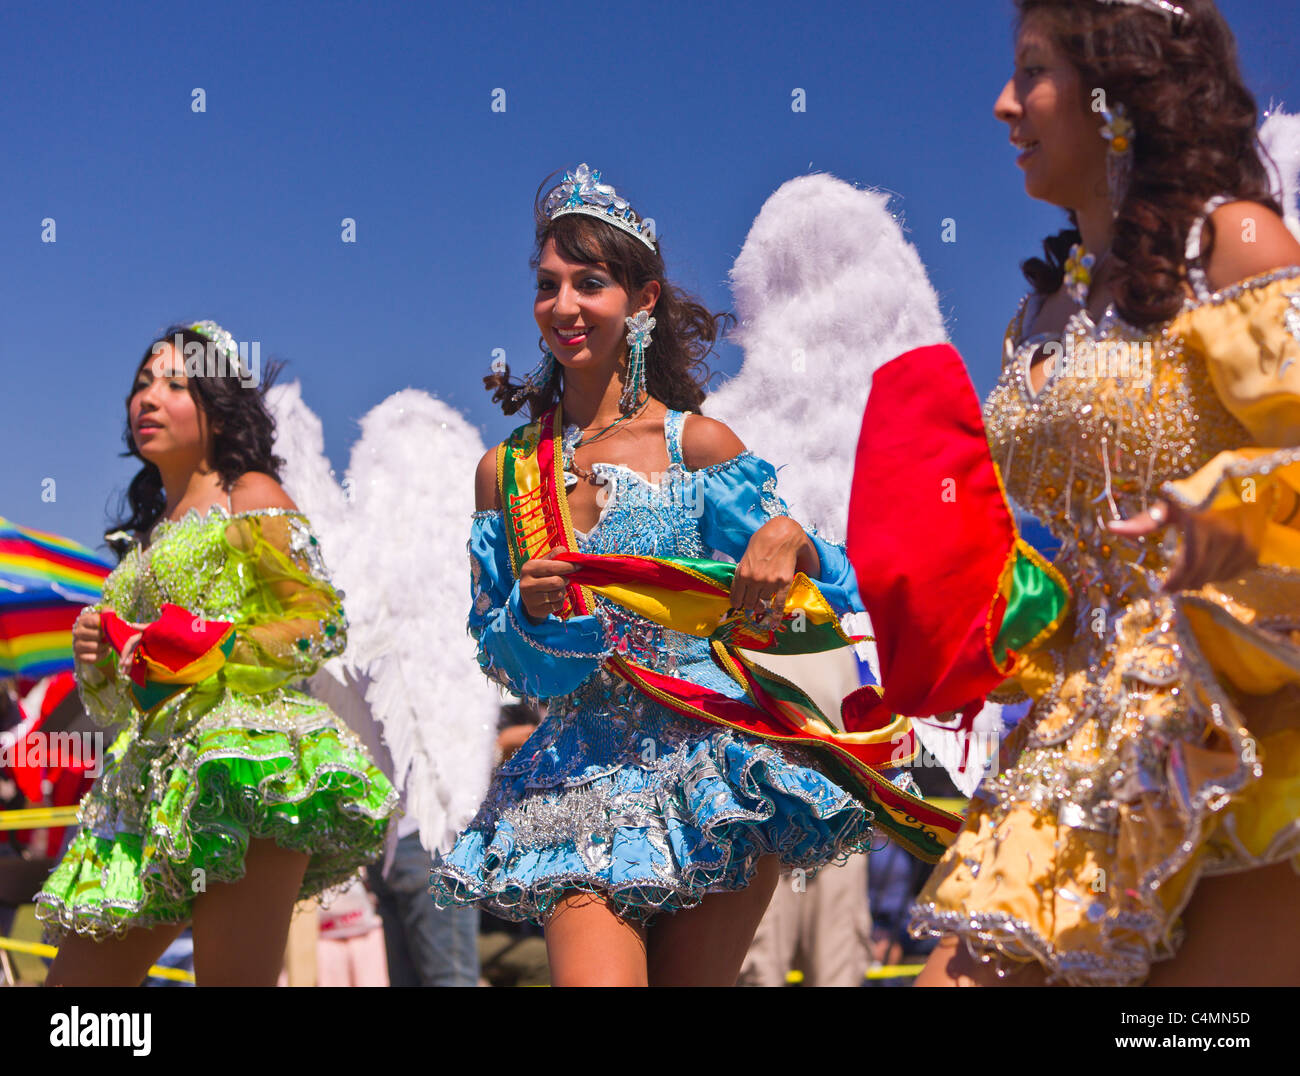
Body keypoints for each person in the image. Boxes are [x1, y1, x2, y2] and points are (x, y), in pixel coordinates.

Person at [429, 165, 944, 987]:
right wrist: (530, 613)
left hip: (715, 770)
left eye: (589, 283)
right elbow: (509, 660)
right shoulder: (508, 473)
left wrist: (789, 538)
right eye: (548, 285)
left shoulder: (699, 448)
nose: (563, 305)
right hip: (576, 779)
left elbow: (824, 593)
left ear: (643, 301)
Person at [910, 0, 1300, 986]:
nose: (1003, 105)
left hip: (1244, 732)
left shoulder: (1236, 246)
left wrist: (1230, 517)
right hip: (1080, 733)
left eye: (1032, 71)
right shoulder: (1036, 313)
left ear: (1116, 87)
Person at [36, 322, 397, 986]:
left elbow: (320, 623)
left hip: (242, 771)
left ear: (217, 408)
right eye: (142, 383)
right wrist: (99, 655)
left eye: (173, 383)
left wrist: (216, 647)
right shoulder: (144, 535)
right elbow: (125, 694)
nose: (147, 397)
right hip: (144, 785)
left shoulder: (249, 496)